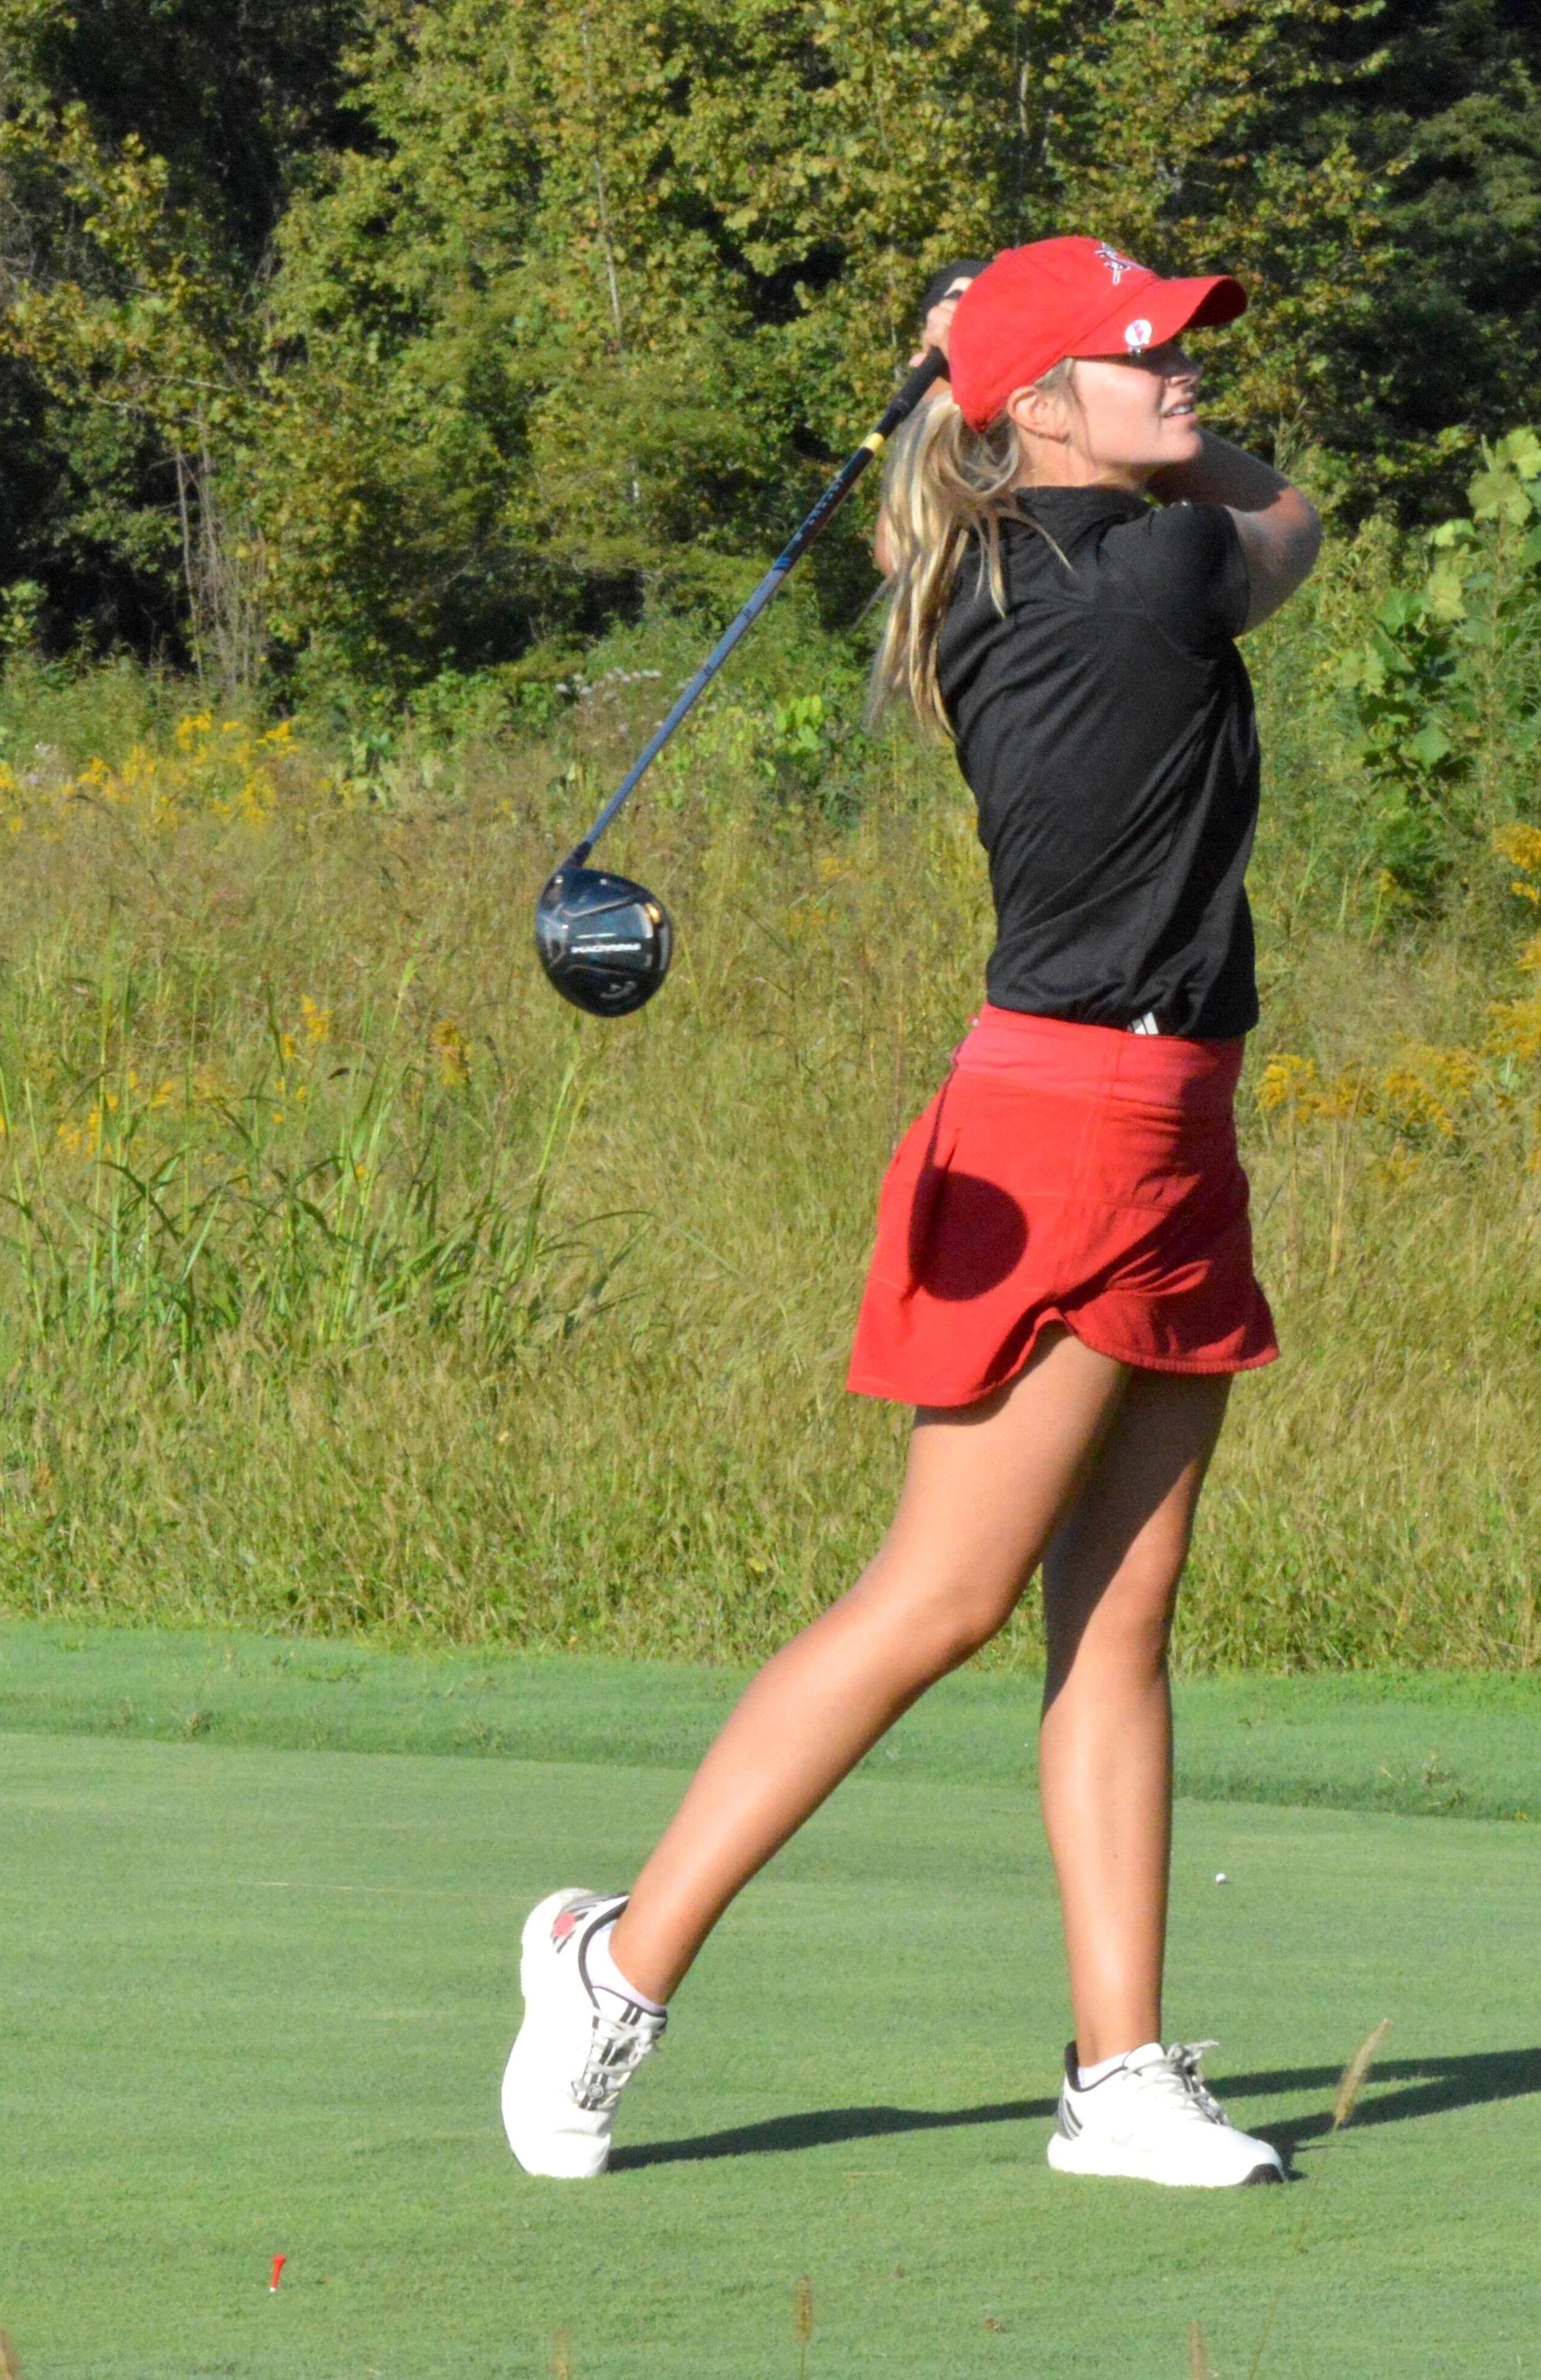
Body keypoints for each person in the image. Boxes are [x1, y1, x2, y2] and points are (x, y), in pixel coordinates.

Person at [500, 236, 1324, 2190]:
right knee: (940, 1600)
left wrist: (975, 378)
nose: (1189, 378)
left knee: (1121, 1624)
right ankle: (610, 1967)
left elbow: (952, 505)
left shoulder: (990, 564)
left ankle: (1118, 2077)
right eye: (1146, 358)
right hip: (1067, 1127)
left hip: (1167, 1114)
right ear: (1043, 408)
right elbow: (1285, 526)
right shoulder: (1153, 569)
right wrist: (1031, 397)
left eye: (1186, 347)